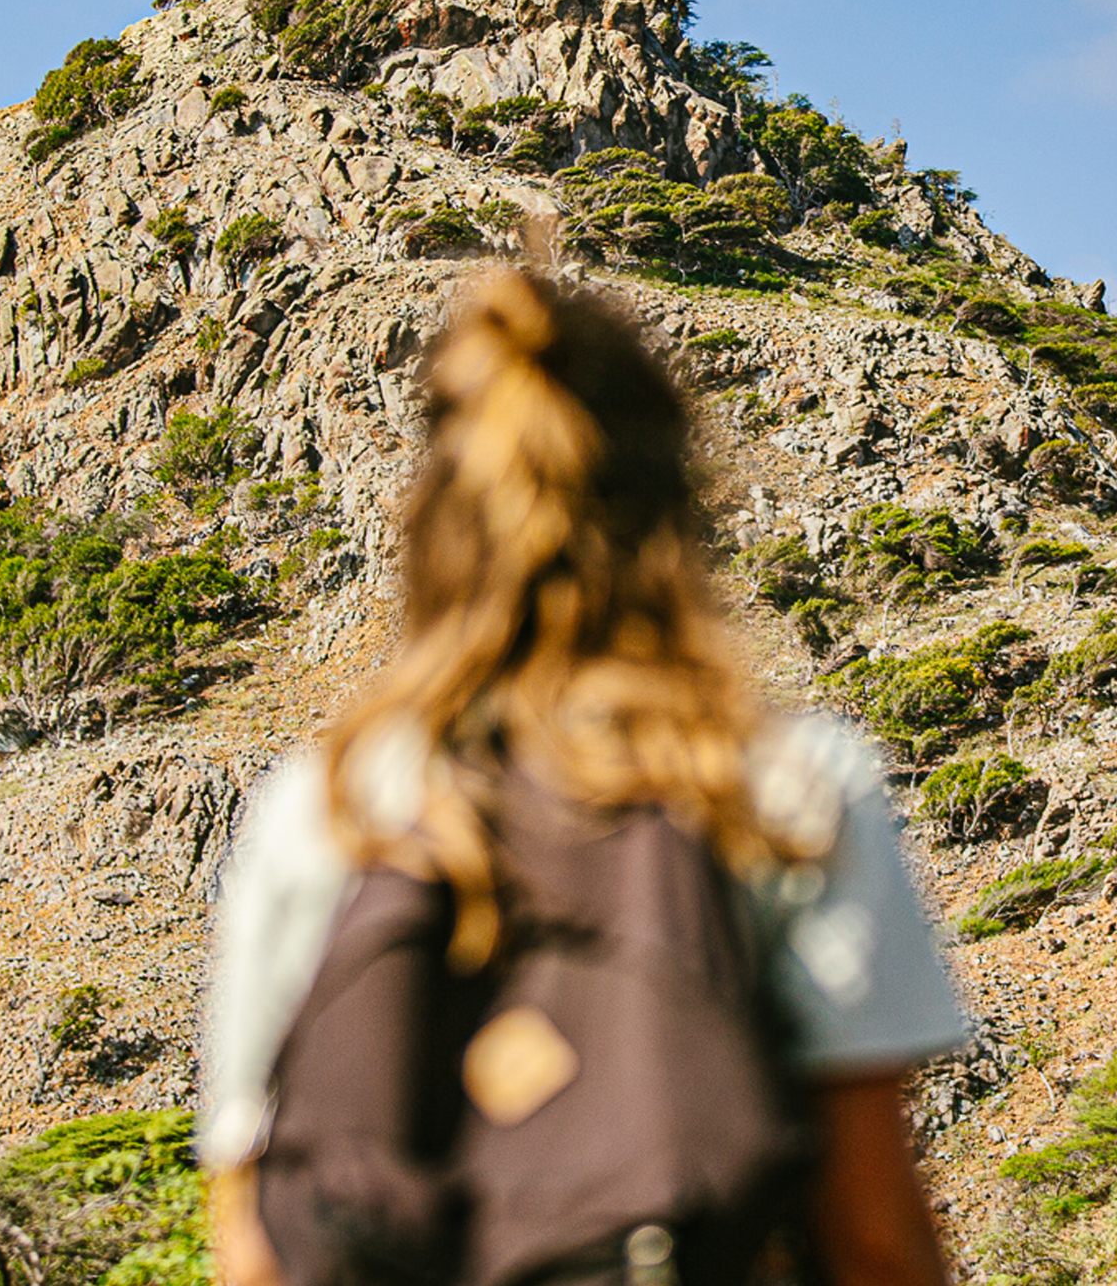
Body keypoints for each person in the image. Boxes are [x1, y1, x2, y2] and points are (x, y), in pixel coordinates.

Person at [200, 269, 966, 1286]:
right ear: (675, 512)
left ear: (434, 515)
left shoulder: (328, 805)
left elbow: (253, 1243)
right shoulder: (781, 790)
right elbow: (874, 1240)